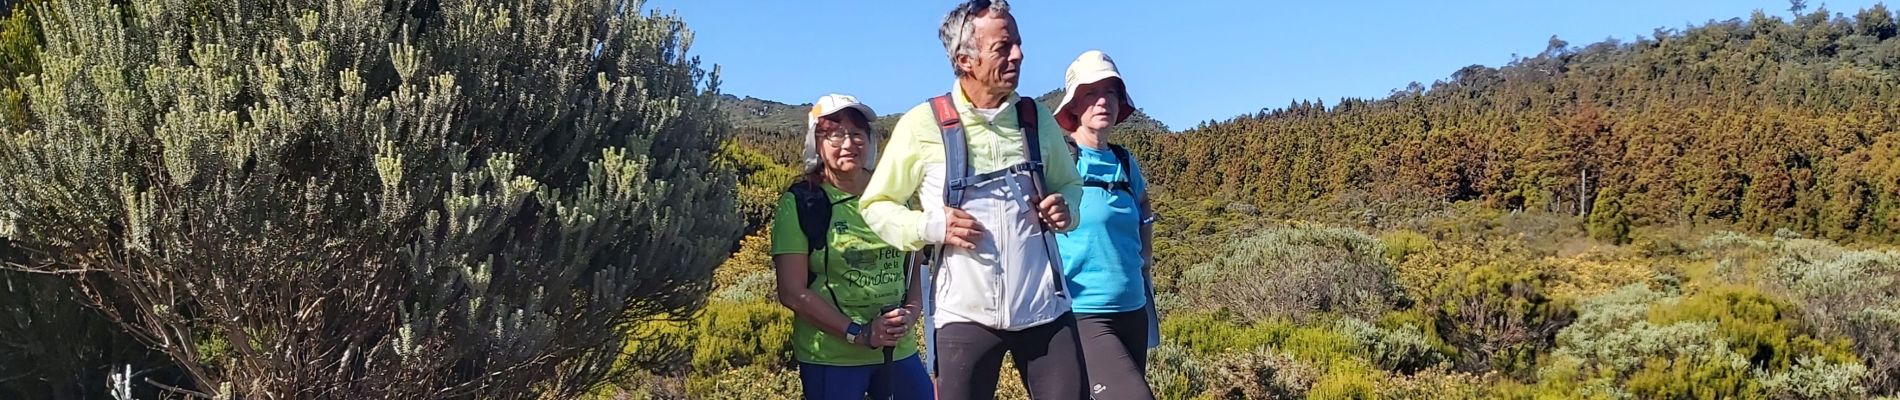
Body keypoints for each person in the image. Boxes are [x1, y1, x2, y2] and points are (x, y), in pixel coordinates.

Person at [858, 1, 1090, 399]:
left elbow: (1071, 186)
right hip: (964, 316)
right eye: (1004, 47)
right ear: (965, 58)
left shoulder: (1035, 119)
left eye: (1018, 44)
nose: (1019, 55)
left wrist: (1065, 208)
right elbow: (875, 206)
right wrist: (932, 225)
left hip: (1045, 311)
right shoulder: (923, 124)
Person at [773, 94, 932, 400]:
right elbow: (792, 292)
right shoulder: (801, 203)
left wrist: (911, 313)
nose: (848, 144)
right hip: (833, 358)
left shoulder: (895, 195)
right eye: (835, 134)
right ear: (816, 144)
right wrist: (859, 333)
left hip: (898, 351)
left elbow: (915, 265)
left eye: (857, 134)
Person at [1052, 50, 1159, 400]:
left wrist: (1146, 257)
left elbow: (1143, 205)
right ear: (1074, 107)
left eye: (1110, 93)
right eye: (1091, 94)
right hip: (1084, 314)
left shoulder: (1125, 162)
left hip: (1133, 309)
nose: (1103, 102)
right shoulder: (1061, 161)